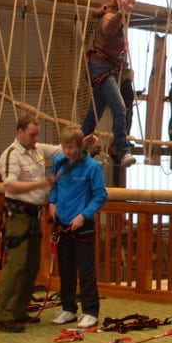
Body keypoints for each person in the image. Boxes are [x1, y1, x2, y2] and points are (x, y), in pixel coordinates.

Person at [0, 114, 63, 332]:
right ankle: (3, 313)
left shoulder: (37, 150)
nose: (35, 138)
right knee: (17, 265)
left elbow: (61, 149)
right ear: (20, 132)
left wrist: (85, 141)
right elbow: (11, 186)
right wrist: (41, 183)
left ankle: (19, 309)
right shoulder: (11, 155)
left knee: (31, 265)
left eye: (37, 134)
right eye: (32, 134)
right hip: (17, 216)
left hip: (34, 215)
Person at [48, 127, 107, 329]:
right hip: (62, 223)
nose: (67, 151)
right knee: (65, 269)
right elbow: (54, 186)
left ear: (80, 146)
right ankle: (68, 308)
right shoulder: (58, 162)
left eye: (71, 147)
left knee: (86, 269)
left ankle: (90, 311)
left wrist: (84, 215)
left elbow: (100, 195)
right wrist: (52, 202)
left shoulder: (92, 167)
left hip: (82, 224)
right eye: (64, 147)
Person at [81, 0, 137, 167]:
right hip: (101, 69)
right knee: (120, 109)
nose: (131, 6)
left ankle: (78, 146)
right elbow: (107, 28)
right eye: (128, 2)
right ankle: (123, 151)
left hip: (108, 69)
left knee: (94, 113)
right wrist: (120, 12)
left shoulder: (116, 16)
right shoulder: (110, 17)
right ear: (119, 0)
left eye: (133, 3)